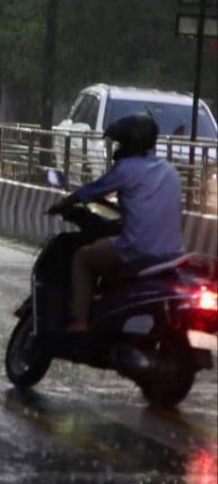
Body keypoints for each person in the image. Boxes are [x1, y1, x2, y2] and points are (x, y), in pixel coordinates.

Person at [48, 114, 183, 332]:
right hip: (171, 253)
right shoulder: (169, 170)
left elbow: (89, 191)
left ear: (129, 143)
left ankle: (79, 320)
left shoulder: (126, 168)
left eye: (120, 143)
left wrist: (62, 204)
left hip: (137, 249)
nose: (117, 149)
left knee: (82, 258)